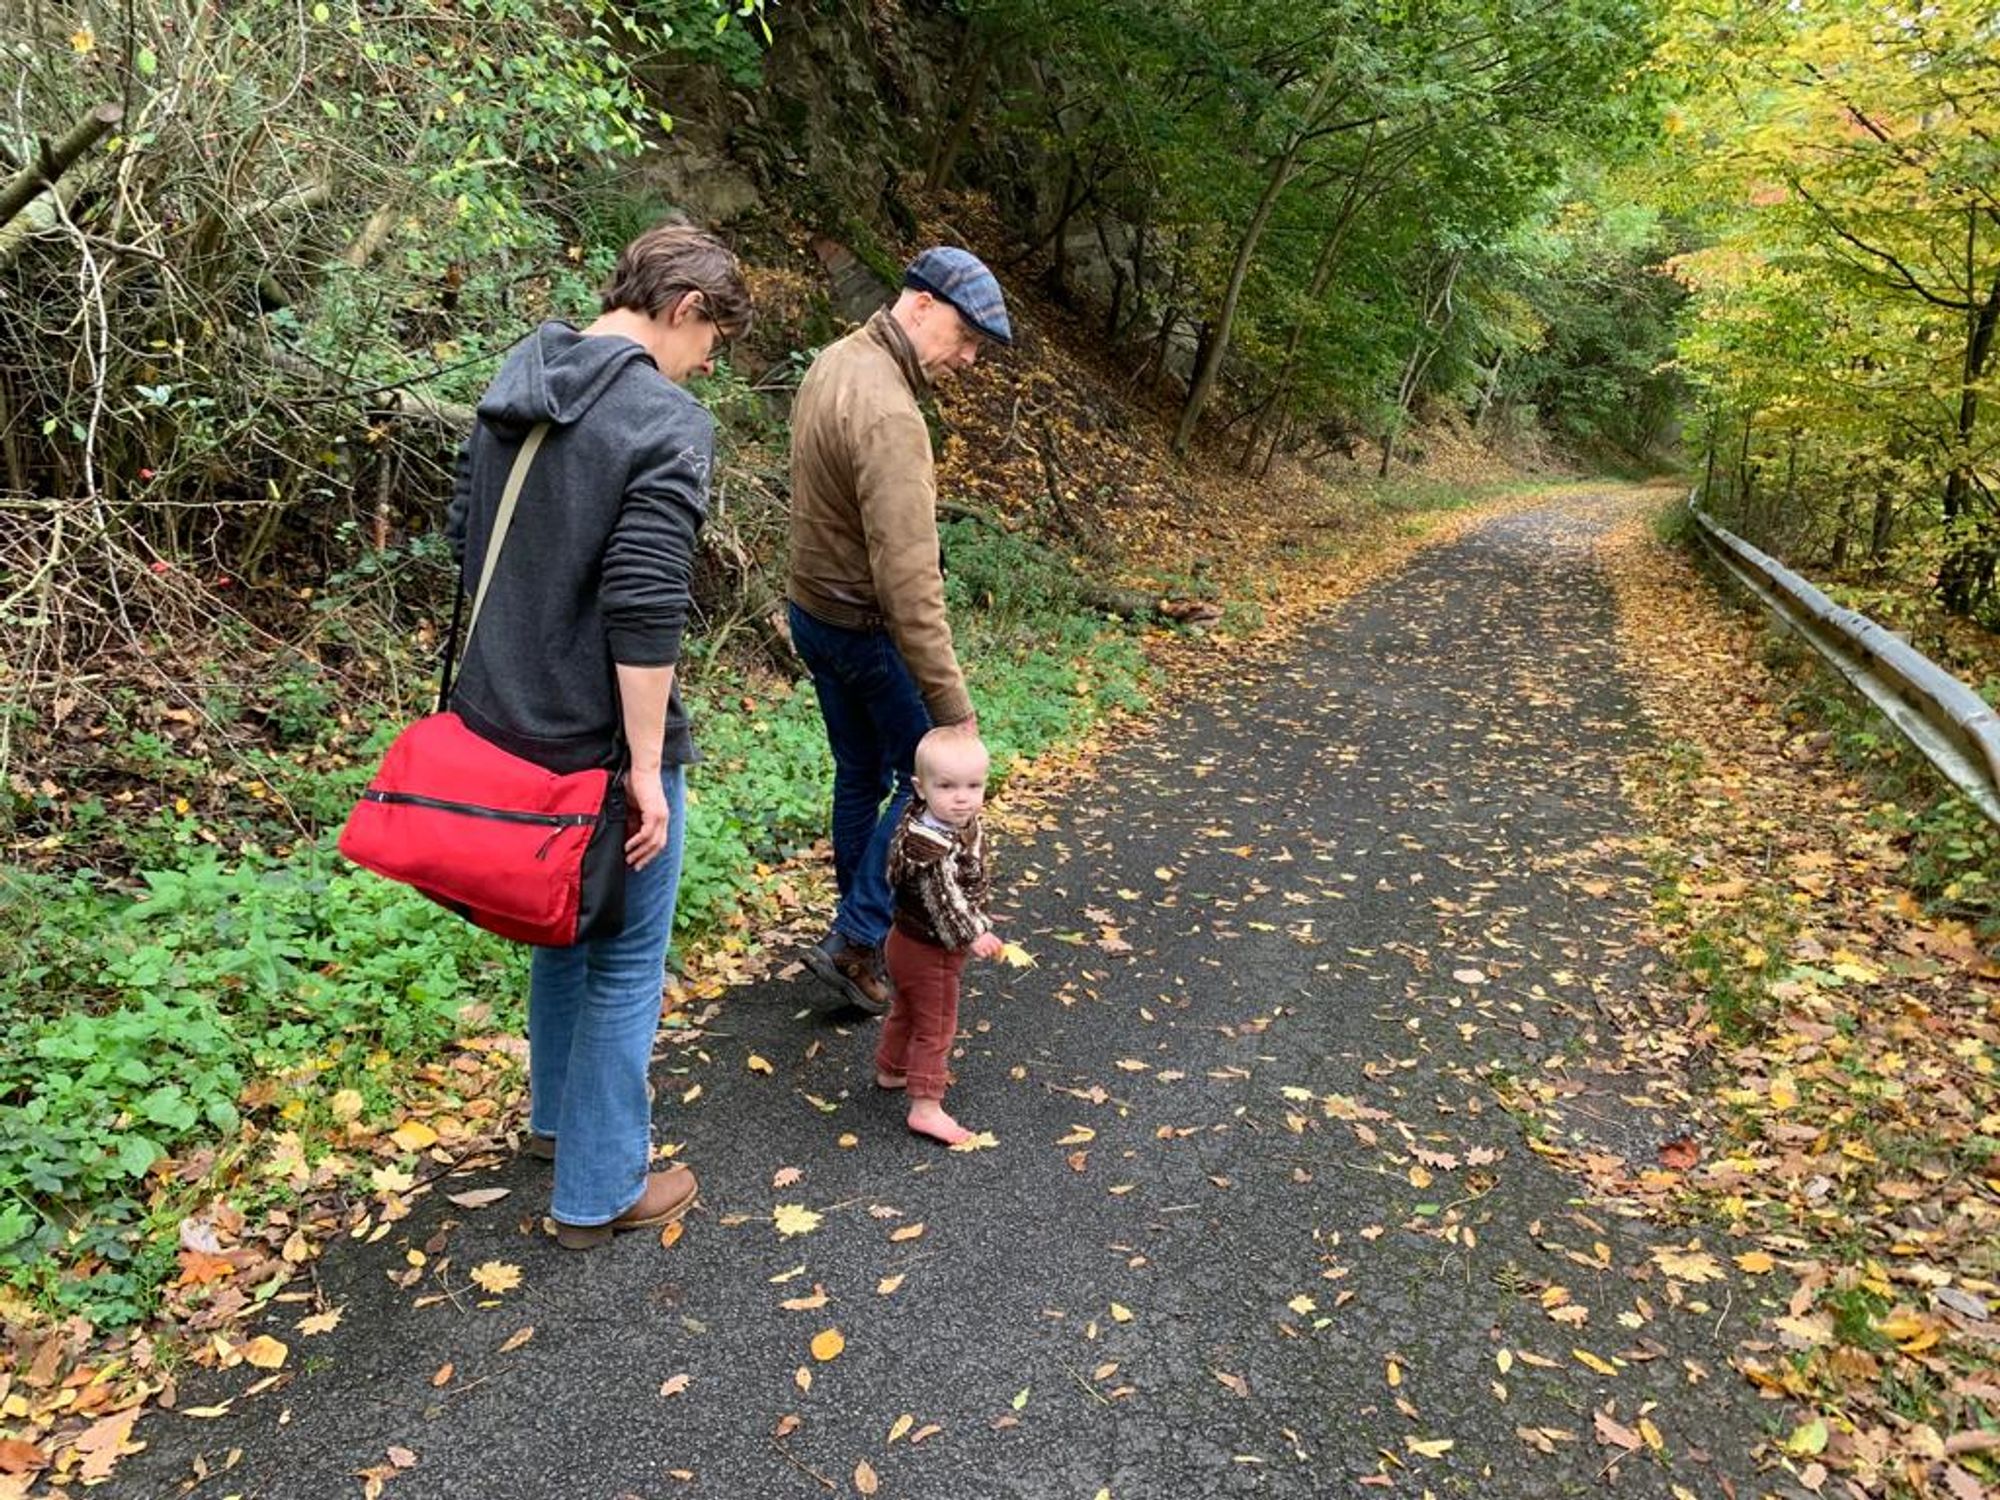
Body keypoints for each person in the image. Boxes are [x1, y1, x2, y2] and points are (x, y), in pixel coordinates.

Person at [446, 223, 752, 1250]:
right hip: (595, 742)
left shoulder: (516, 379)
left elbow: (463, 536)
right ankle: (600, 1190)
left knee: (559, 927)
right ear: (683, 310)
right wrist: (647, 767)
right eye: (712, 340)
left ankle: (552, 1125)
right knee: (624, 952)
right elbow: (643, 605)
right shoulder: (662, 420)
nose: (707, 363)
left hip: (501, 722)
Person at [787, 246, 1013, 1013]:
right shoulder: (890, 413)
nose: (970, 358)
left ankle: (859, 938)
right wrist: (953, 707)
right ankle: (856, 939)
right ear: (919, 305)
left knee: (860, 774)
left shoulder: (833, 361)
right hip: (864, 627)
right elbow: (910, 582)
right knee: (931, 792)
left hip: (812, 613)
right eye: (967, 336)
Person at [875, 727, 1004, 1143]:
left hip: (903, 941)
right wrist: (974, 932)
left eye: (973, 785)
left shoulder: (933, 819)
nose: (962, 797)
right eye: (946, 786)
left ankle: (892, 1068)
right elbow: (943, 900)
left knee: (908, 1009)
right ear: (920, 786)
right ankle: (926, 1106)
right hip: (930, 949)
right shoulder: (929, 846)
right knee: (938, 1023)